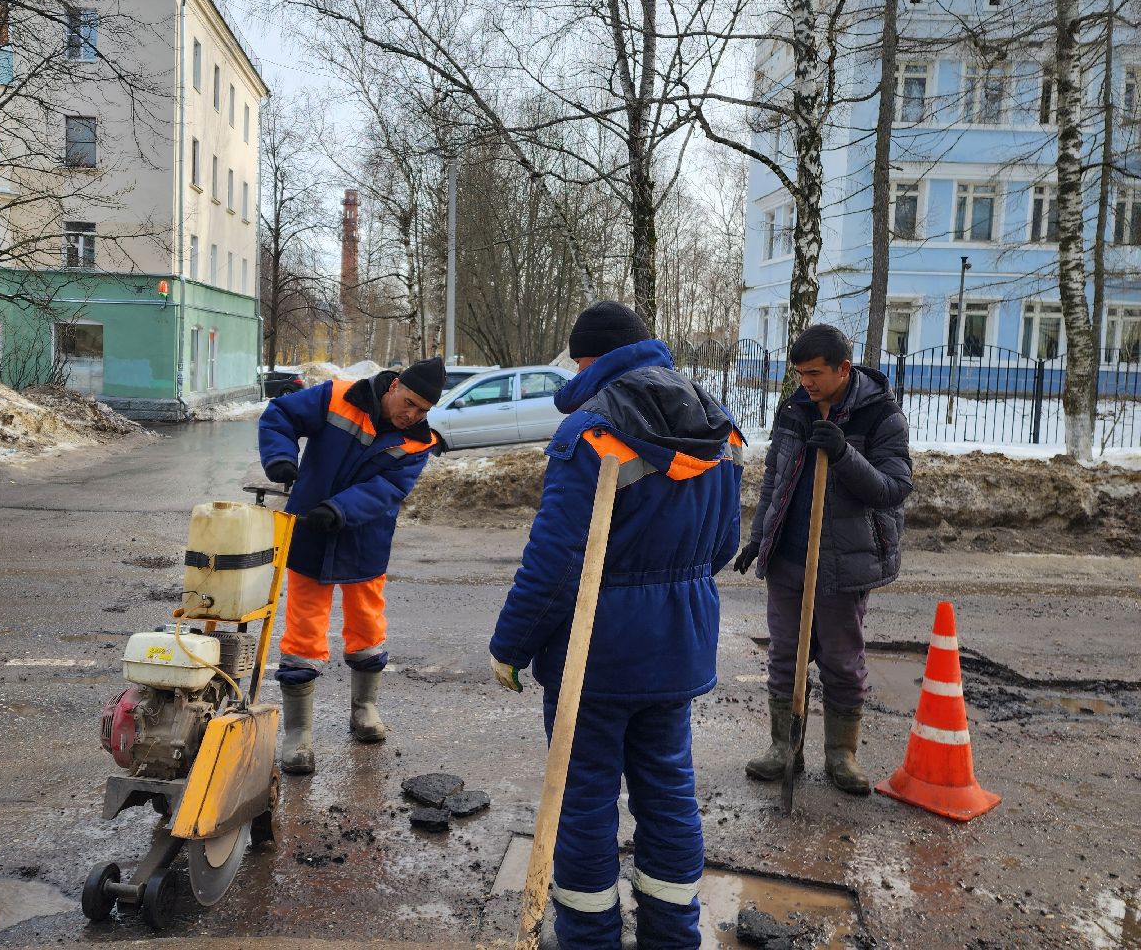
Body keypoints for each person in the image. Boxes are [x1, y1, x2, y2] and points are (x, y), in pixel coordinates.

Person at [489, 302, 743, 950]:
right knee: (668, 788)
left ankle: (589, 936)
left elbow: (555, 563)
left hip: (595, 657)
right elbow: (723, 545)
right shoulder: (714, 421)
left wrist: (511, 646)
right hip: (678, 647)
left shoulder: (593, 430)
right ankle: (672, 934)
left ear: (588, 360)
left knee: (583, 798)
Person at [734, 323, 912, 796]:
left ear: (843, 369)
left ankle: (841, 755)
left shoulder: (881, 415)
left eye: (814, 373)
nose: (806, 382)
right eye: (800, 374)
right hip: (789, 558)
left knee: (841, 660)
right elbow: (774, 479)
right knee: (785, 656)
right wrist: (758, 538)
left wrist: (844, 454)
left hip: (842, 564)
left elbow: (894, 488)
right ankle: (784, 747)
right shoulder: (795, 409)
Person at [258, 357, 443, 775]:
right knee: (303, 631)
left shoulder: (419, 443)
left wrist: (339, 509)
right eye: (409, 403)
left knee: (367, 626)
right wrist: (280, 458)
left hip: (364, 539)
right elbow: (280, 414)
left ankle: (364, 709)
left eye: (422, 411)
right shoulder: (338, 396)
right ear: (394, 385)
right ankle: (298, 734)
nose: (412, 415)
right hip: (309, 532)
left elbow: (388, 488)